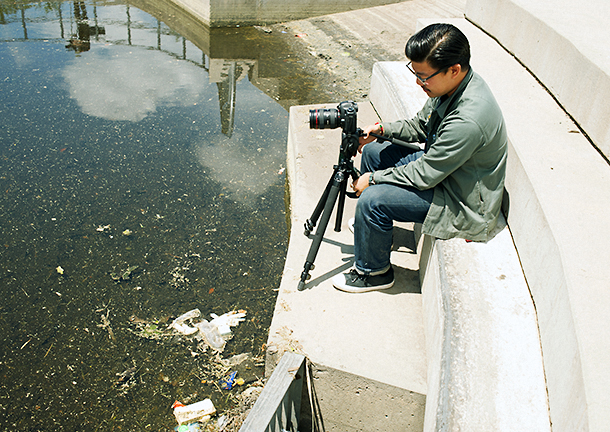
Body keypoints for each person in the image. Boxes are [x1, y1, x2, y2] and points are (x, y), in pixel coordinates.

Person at [332, 23, 508, 293]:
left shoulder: (468, 118)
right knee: (374, 151)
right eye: (415, 73)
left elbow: (426, 173)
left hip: (461, 200)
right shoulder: (451, 86)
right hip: (449, 173)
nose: (418, 82)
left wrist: (374, 179)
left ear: (454, 70)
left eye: (424, 76)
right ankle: (375, 234)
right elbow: (419, 126)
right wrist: (381, 130)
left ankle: (373, 272)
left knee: (372, 199)